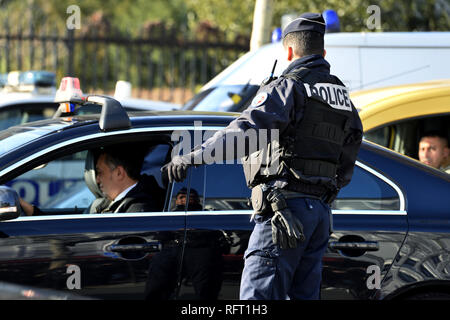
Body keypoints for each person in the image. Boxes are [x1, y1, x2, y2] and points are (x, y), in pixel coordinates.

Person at [162, 12, 363, 300]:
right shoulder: (343, 98)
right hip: (319, 214)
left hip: (284, 213)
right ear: (324, 52)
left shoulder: (289, 87)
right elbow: (351, 148)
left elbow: (244, 132)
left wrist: (192, 157)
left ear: (290, 51)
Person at [20, 145, 165, 215]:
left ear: (119, 173)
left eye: (100, 172)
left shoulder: (140, 210)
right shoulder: (107, 203)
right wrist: (30, 210)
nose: (97, 179)